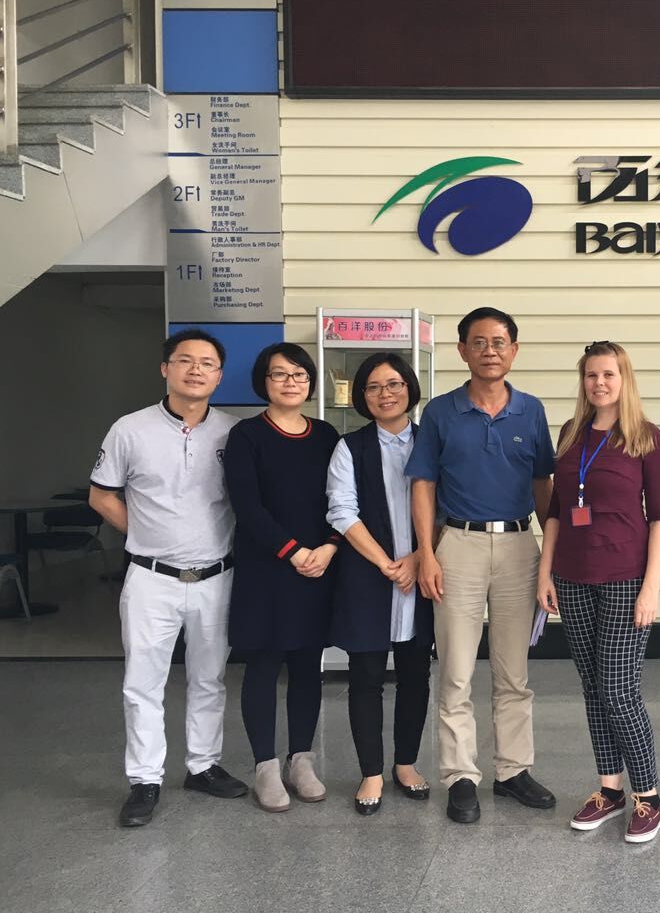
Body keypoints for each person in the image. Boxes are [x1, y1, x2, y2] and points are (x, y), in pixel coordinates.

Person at [89, 329, 249, 827]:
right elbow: (101, 495)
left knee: (209, 677)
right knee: (143, 681)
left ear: (219, 376)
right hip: (151, 577)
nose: (196, 370)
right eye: (185, 361)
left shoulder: (233, 433)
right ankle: (144, 779)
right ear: (166, 369)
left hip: (215, 575)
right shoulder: (130, 429)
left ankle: (203, 765)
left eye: (207, 363)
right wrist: (145, 533)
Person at [408, 307, 556, 824]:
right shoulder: (440, 412)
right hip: (458, 545)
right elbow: (423, 483)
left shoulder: (531, 411)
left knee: (514, 672)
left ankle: (513, 770)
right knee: (455, 670)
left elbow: (543, 485)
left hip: (518, 545)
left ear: (514, 350)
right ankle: (460, 776)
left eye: (499, 342)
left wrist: (551, 557)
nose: (489, 351)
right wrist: (427, 552)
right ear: (462, 351)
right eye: (479, 342)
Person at [536, 341, 660, 844]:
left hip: (625, 579)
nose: (599, 383)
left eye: (608, 374)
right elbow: (556, 511)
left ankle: (649, 797)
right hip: (573, 577)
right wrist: (545, 573)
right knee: (593, 687)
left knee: (618, 689)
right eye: (591, 375)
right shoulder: (570, 434)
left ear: (624, 378)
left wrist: (652, 587)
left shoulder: (646, 438)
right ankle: (610, 790)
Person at [223, 342, 339, 812]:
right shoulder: (246, 435)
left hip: (318, 566)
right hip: (267, 568)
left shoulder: (326, 435)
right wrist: (293, 551)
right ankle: (265, 766)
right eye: (280, 374)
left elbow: (342, 498)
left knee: (308, 664)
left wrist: (329, 546)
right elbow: (247, 506)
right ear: (263, 382)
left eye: (299, 374)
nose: (291, 382)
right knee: (264, 663)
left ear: (310, 383)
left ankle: (301, 760)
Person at [327, 353, 434, 816]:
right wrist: (388, 564)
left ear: (409, 387)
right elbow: (341, 510)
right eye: (373, 387)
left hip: (424, 571)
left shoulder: (432, 441)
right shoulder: (350, 447)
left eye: (393, 384)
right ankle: (371, 771)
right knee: (366, 676)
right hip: (368, 575)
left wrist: (417, 558)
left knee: (415, 675)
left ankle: (405, 763)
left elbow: (451, 503)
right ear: (361, 396)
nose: (384, 394)